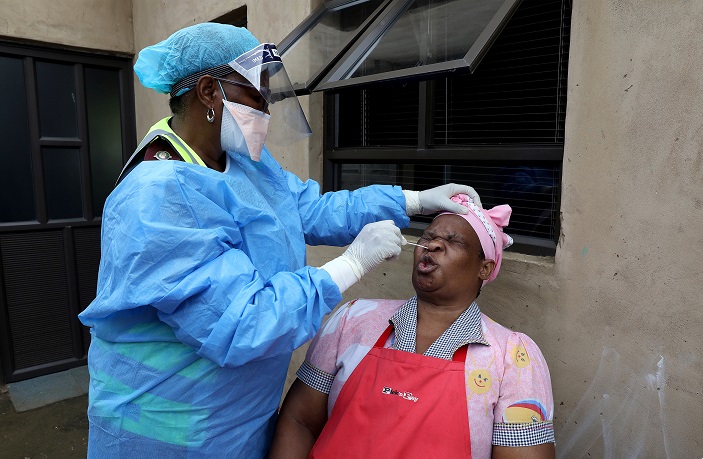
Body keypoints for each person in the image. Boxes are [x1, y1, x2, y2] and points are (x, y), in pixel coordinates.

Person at [78, 23, 482, 458]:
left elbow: (307, 209)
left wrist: (413, 199)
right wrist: (350, 266)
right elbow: (242, 322)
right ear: (210, 92)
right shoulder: (158, 196)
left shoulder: (240, 161)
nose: (265, 111)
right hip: (168, 426)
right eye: (256, 96)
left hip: (239, 417)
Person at [271, 194, 556, 459]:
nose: (432, 245)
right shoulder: (353, 319)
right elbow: (299, 421)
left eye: (453, 241)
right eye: (428, 237)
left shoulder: (511, 356)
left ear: (484, 268)